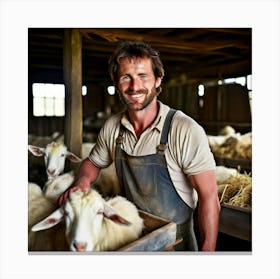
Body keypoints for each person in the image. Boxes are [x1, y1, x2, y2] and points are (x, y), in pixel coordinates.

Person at [58, 41, 220, 251]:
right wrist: (82, 181)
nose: (135, 87)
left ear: (158, 80)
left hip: (177, 245)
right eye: (126, 77)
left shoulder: (184, 129)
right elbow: (92, 162)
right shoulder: (112, 127)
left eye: (143, 76)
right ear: (116, 82)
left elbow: (209, 197)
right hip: (134, 238)